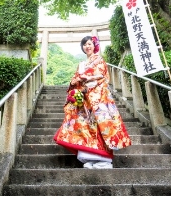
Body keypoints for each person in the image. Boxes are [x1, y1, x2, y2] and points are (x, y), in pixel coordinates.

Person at [54, 35, 132, 169]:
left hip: (98, 99)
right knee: (85, 127)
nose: (87, 47)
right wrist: (77, 88)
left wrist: (88, 80)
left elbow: (103, 77)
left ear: (94, 45)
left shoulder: (99, 60)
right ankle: (89, 159)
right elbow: (75, 80)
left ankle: (104, 160)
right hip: (85, 101)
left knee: (101, 127)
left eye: (89, 44)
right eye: (84, 45)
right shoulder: (82, 64)